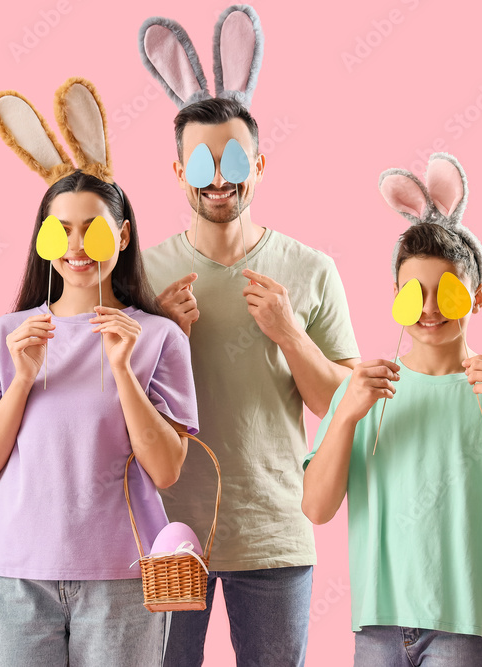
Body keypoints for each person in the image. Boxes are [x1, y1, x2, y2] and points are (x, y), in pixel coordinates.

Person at [302, 153, 482, 666]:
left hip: (468, 626)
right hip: (379, 623)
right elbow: (316, 509)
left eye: (448, 293)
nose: (430, 308)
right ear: (394, 296)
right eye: (414, 293)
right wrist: (345, 415)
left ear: (477, 298)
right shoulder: (363, 390)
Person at [139, 7, 360, 665]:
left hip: (274, 534)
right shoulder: (143, 274)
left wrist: (290, 333)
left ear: (260, 165)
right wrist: (162, 335)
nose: (219, 175)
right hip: (169, 533)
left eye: (233, 158)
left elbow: (342, 403)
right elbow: (111, 406)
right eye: (201, 162)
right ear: (179, 173)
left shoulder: (312, 269)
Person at [0, 78, 199, 666]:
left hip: (123, 573)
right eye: (59, 229)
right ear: (42, 239)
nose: (76, 245)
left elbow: (167, 471)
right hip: (16, 575)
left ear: (120, 235)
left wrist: (122, 370)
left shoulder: (160, 336)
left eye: (91, 229)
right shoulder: (5, 335)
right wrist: (19, 379)